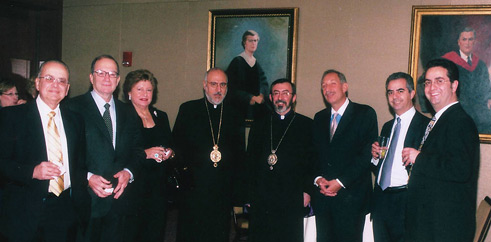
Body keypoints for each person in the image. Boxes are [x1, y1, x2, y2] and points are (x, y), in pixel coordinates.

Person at [0, 60, 90, 241]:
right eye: (49, 78)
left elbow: (80, 163)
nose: (55, 85)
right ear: (37, 83)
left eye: (62, 80)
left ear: (67, 88)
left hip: (65, 209)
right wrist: (32, 171)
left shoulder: (75, 120)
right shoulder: (12, 117)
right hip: (25, 211)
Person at [67, 55, 145, 242]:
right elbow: (66, 153)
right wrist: (86, 177)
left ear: (118, 80)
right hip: (86, 202)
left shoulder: (128, 111)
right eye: (100, 73)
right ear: (91, 77)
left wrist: (128, 172)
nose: (106, 78)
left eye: (112, 74)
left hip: (120, 202)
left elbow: (137, 150)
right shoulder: (72, 107)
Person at [402, 59, 480, 242]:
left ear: (454, 85)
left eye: (439, 80)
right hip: (430, 223)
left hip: (444, 228)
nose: (431, 87)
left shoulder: (460, 122)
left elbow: (460, 169)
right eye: (427, 82)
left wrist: (419, 158)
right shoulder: (440, 120)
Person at [172, 68, 245, 242]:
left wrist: (238, 193)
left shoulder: (235, 114)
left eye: (223, 84)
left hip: (222, 190)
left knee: (218, 233)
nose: (218, 89)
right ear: (205, 86)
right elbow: (177, 147)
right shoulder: (189, 110)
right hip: (193, 188)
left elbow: (240, 155)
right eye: (213, 84)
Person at [312, 69, 378, 242]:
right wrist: (318, 179)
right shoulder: (319, 118)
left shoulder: (365, 114)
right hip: (324, 199)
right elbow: (313, 156)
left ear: (345, 87)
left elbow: (366, 155)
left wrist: (340, 182)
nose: (327, 88)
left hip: (351, 200)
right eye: (323, 85)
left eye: (332, 83)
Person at [246, 78, 315, 242]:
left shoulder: (306, 125)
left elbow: (312, 162)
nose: (280, 97)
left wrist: (307, 191)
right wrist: (248, 195)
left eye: (285, 93)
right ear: (270, 97)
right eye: (276, 93)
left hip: (291, 195)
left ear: (294, 97)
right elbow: (250, 162)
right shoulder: (259, 125)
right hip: (262, 195)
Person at [370, 72, 430, 242]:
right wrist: (375, 157)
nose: (394, 96)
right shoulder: (387, 126)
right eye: (390, 92)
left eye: (400, 91)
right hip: (381, 199)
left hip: (406, 201)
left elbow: (429, 167)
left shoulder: (426, 126)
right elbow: (382, 165)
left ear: (412, 94)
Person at [122, 69, 174, 242]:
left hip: (158, 187)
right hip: (134, 187)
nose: (145, 94)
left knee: (155, 232)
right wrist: (145, 153)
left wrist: (170, 152)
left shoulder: (161, 116)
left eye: (149, 90)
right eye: (139, 89)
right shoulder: (122, 116)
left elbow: (171, 144)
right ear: (129, 92)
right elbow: (119, 152)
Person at [442, 26, 491, 133]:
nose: (467, 43)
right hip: (457, 111)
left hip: (478, 113)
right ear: (459, 42)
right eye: (464, 39)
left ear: (474, 42)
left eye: (470, 39)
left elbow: (486, 90)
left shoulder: (480, 65)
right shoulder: (447, 62)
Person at [226, 30, 269, 121]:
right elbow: (231, 87)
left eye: (255, 40)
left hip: (255, 106)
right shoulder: (237, 62)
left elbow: (263, 82)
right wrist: (250, 98)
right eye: (250, 40)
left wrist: (261, 95)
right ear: (244, 43)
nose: (253, 43)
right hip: (239, 107)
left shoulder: (256, 63)